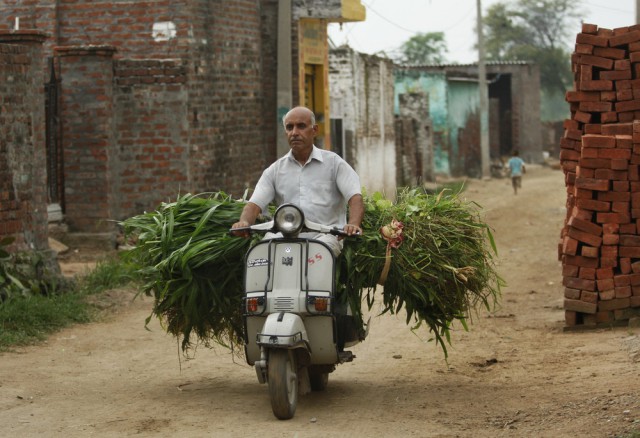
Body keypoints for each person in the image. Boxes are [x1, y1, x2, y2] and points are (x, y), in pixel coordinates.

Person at [231, 106, 364, 255]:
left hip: (326, 237)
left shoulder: (334, 163)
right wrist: (244, 222)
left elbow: (355, 197)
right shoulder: (274, 170)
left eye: (301, 126)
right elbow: (254, 205)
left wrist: (353, 224)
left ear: (314, 130)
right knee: (261, 251)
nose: (294, 132)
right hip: (286, 236)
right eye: (289, 127)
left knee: (319, 254)